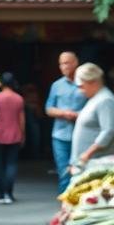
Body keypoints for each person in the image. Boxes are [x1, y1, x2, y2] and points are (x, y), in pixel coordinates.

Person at [45, 51, 86, 193]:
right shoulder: (57, 85)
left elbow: (93, 107)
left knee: (80, 171)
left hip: (82, 135)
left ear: (76, 63)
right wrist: (64, 113)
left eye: (67, 63)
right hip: (60, 135)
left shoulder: (85, 84)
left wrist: (79, 115)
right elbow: (48, 109)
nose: (64, 66)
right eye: (61, 64)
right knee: (63, 172)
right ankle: (64, 205)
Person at [68, 63, 114, 171]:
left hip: (95, 163)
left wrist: (87, 154)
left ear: (93, 82)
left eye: (82, 86)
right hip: (86, 162)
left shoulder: (106, 100)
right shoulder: (95, 98)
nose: (80, 91)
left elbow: (108, 131)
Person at [0, 72, 25, 204]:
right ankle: (9, 194)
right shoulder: (19, 99)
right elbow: (21, 119)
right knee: (11, 164)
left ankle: (0, 195)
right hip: (15, 135)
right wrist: (23, 134)